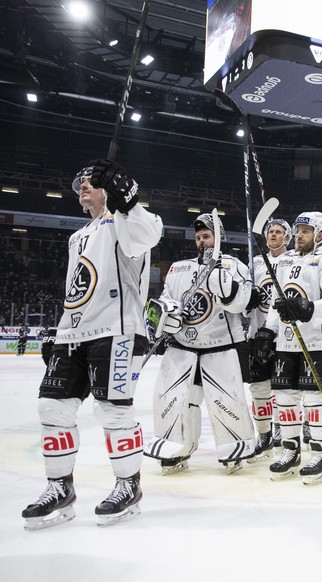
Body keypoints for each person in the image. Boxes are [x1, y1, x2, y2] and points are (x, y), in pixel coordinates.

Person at [22, 159, 163, 530]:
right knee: (51, 407)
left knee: (114, 412)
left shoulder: (127, 222)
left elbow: (150, 234)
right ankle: (59, 487)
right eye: (80, 183)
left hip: (116, 330)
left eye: (91, 182)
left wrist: (128, 198)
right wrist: (59, 331)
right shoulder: (78, 235)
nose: (83, 187)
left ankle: (127, 485)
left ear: (107, 189)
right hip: (73, 334)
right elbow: (75, 289)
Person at [145, 212, 256, 475]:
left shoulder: (235, 266)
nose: (202, 241)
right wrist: (166, 316)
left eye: (207, 236)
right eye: (198, 237)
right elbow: (165, 300)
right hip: (183, 348)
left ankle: (234, 447)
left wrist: (229, 291)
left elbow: (244, 304)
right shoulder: (178, 268)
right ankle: (176, 447)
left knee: (225, 400)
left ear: (219, 239)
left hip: (222, 346)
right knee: (176, 399)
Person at [254, 211, 322, 484]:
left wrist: (308, 308)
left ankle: (319, 453)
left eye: (305, 230)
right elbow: (277, 302)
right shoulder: (284, 261)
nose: (299, 235)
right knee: (285, 398)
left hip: (319, 342)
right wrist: (267, 330)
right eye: (297, 230)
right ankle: (290, 450)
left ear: (320, 234)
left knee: (316, 400)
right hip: (286, 341)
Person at [247, 218, 292, 458]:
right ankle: (263, 433)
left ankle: (281, 430)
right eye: (270, 232)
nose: (273, 235)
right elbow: (242, 301)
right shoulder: (254, 264)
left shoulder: (292, 261)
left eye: (278, 232)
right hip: (256, 333)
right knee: (259, 388)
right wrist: (247, 298)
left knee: (282, 389)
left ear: (287, 237)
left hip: (283, 336)